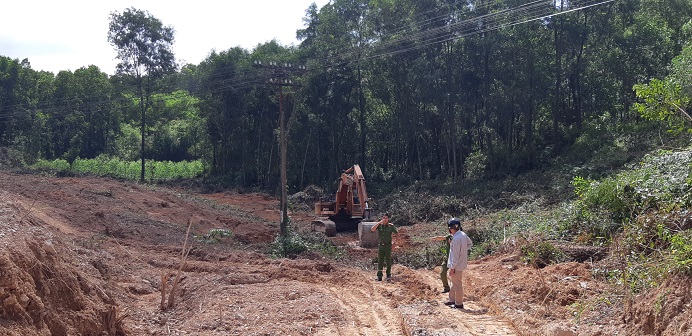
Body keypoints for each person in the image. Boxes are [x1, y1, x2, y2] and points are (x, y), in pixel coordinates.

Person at [444, 218, 473, 309]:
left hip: (456, 266)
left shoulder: (456, 239)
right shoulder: (462, 234)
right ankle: (452, 299)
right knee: (455, 282)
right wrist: (463, 251)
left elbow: (455, 256)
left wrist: (452, 268)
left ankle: (459, 304)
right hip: (460, 264)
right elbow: (470, 244)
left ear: (451, 228)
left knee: (457, 285)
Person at [371, 213, 397, 281]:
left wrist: (394, 243)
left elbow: (397, 233)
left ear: (388, 219)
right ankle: (379, 276)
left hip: (388, 246)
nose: (385, 219)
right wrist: (379, 222)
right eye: (383, 218)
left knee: (388, 260)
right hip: (381, 246)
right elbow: (372, 229)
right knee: (380, 261)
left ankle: (388, 275)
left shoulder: (391, 226)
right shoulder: (379, 226)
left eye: (386, 218)